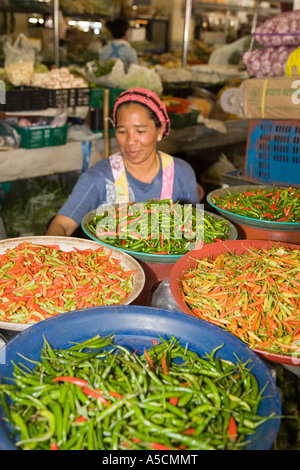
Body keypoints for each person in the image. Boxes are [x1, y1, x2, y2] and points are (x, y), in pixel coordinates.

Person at [46, 87, 200, 237]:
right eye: (121, 131)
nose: (130, 141)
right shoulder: (99, 177)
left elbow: (195, 232)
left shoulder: (181, 173)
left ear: (159, 131)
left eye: (140, 131)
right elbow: (61, 225)